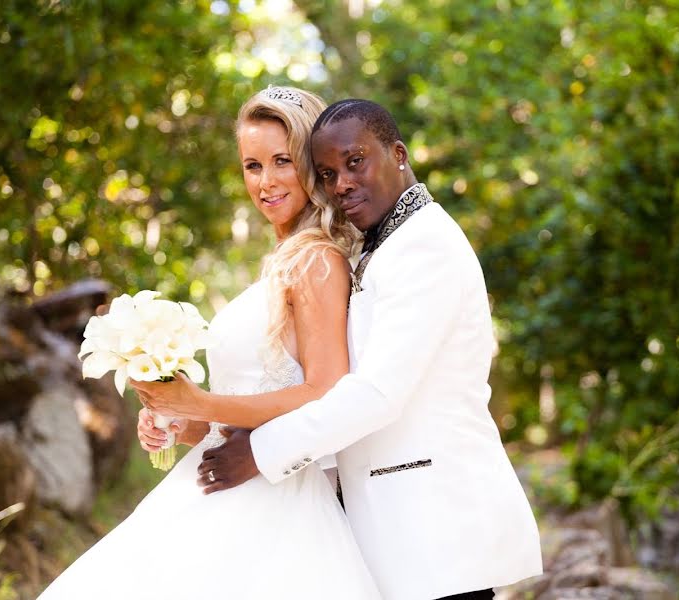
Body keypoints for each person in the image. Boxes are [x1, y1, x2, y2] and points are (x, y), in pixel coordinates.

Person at [141, 99, 544, 600]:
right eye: (329, 172)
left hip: (436, 521)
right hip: (381, 523)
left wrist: (260, 452)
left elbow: (375, 394)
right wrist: (190, 420)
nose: (342, 184)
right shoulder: (378, 245)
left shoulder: (425, 246)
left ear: (398, 153)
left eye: (356, 162)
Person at [37, 87, 382, 600]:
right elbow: (248, 402)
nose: (265, 183)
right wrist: (184, 422)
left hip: (272, 504)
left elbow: (323, 391)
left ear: (310, 163)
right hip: (218, 481)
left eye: (281, 161)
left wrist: (198, 402)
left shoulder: (317, 262)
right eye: (252, 166)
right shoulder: (281, 260)